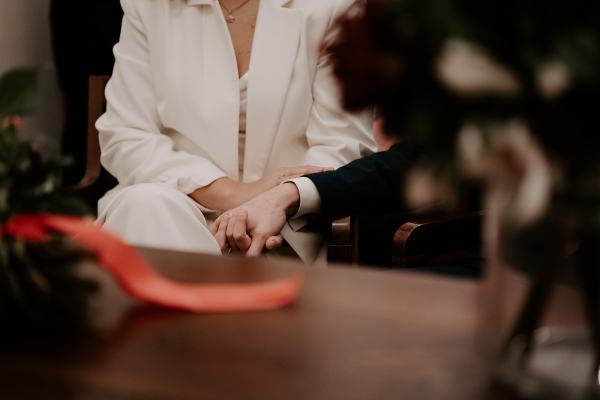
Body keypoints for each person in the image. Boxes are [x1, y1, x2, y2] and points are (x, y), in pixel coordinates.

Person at [96, 0, 376, 264]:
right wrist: (233, 194)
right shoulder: (149, 5)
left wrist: (277, 200)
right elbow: (125, 136)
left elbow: (340, 148)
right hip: (176, 206)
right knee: (144, 205)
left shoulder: (335, 6)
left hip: (283, 228)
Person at [212, 140, 422, 255]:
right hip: (191, 197)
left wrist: (289, 197)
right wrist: (241, 194)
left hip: (292, 226)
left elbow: (339, 141)